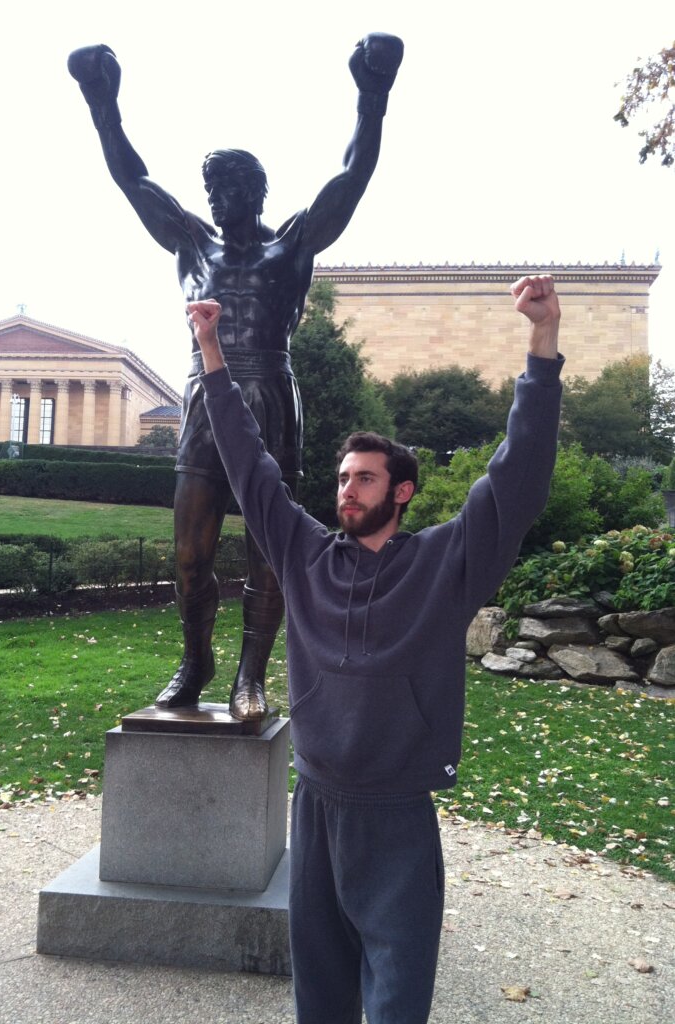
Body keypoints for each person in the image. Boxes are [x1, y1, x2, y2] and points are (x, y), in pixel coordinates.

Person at [184, 275, 563, 1024]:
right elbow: (248, 466)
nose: (346, 491)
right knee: (320, 989)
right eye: (341, 479)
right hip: (317, 800)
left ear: (403, 492)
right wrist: (209, 354)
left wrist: (541, 347)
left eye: (364, 479)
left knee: (395, 992)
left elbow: (516, 478)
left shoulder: (446, 563)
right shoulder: (303, 553)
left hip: (395, 812)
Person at [67, 34, 403, 720]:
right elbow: (133, 181)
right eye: (209, 189)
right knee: (189, 555)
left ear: (252, 191)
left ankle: (250, 676)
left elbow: (353, 177)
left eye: (226, 188)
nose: (215, 199)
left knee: (267, 554)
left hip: (269, 400)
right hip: (202, 406)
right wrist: (102, 103)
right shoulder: (192, 245)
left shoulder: (293, 245)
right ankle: (196, 660)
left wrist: (372, 96)